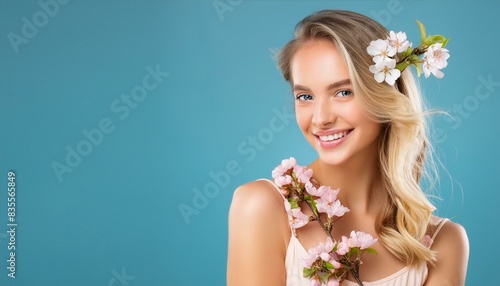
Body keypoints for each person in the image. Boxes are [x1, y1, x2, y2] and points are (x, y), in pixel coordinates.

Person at [227, 9, 469, 286]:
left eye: (344, 92)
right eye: (305, 96)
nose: (320, 118)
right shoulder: (262, 206)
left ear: (386, 96)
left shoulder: (443, 243)